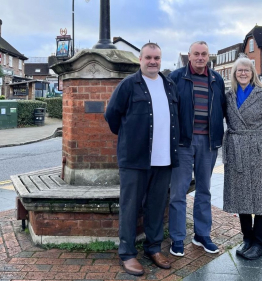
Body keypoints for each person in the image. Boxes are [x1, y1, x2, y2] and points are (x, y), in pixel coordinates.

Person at [105, 43, 179, 276]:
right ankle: (127, 253)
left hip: (164, 159)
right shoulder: (129, 85)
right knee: (130, 207)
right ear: (140, 59)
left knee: (156, 207)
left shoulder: (169, 85)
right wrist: (131, 139)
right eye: (148, 57)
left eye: (157, 57)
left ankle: (153, 248)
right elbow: (112, 115)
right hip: (134, 159)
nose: (153, 61)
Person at [168, 41, 226, 256]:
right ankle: (177, 238)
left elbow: (223, 109)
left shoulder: (216, 79)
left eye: (204, 54)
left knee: (204, 190)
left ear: (208, 56)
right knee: (178, 192)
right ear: (189, 56)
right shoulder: (176, 77)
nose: (200, 57)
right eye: (196, 54)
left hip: (208, 143)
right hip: (183, 142)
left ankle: (202, 235)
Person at [223, 56, 262, 260]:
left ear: (253, 73)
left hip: (257, 150)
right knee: (241, 195)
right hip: (235, 148)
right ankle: (247, 238)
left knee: (261, 197)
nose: (243, 73)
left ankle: (260, 243)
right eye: (239, 70)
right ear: (234, 74)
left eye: (246, 70)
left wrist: (259, 143)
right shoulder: (229, 95)